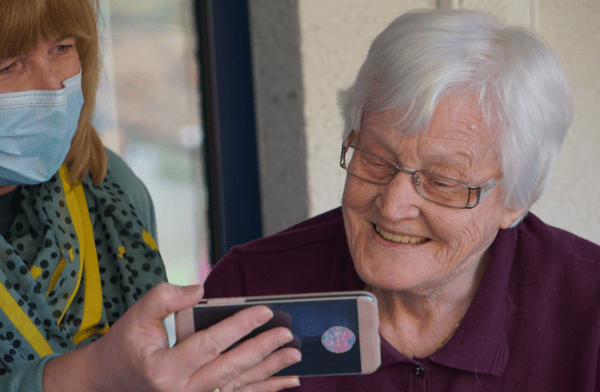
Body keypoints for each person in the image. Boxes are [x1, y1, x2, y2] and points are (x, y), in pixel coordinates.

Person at [203, 9, 600, 391]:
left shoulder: (590, 308)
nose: (392, 206)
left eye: (442, 181)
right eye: (375, 160)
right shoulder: (252, 288)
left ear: (517, 198)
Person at [0, 0, 301, 391]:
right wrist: (94, 374)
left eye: (62, 48)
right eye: (7, 66)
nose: (53, 84)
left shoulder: (107, 187)